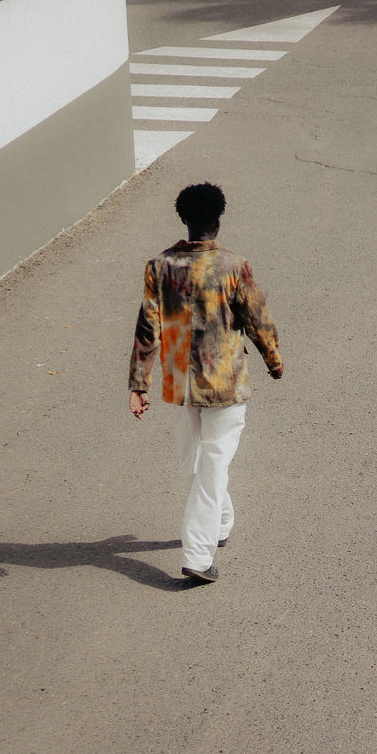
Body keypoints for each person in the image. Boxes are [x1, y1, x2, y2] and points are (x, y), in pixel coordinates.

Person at [127, 182, 283, 584]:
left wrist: (139, 384)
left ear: (184, 220)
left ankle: (207, 539)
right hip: (225, 383)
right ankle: (200, 554)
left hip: (179, 381)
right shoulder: (233, 265)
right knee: (206, 467)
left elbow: (149, 328)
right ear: (218, 220)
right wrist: (273, 360)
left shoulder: (159, 266)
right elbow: (258, 319)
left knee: (200, 465)